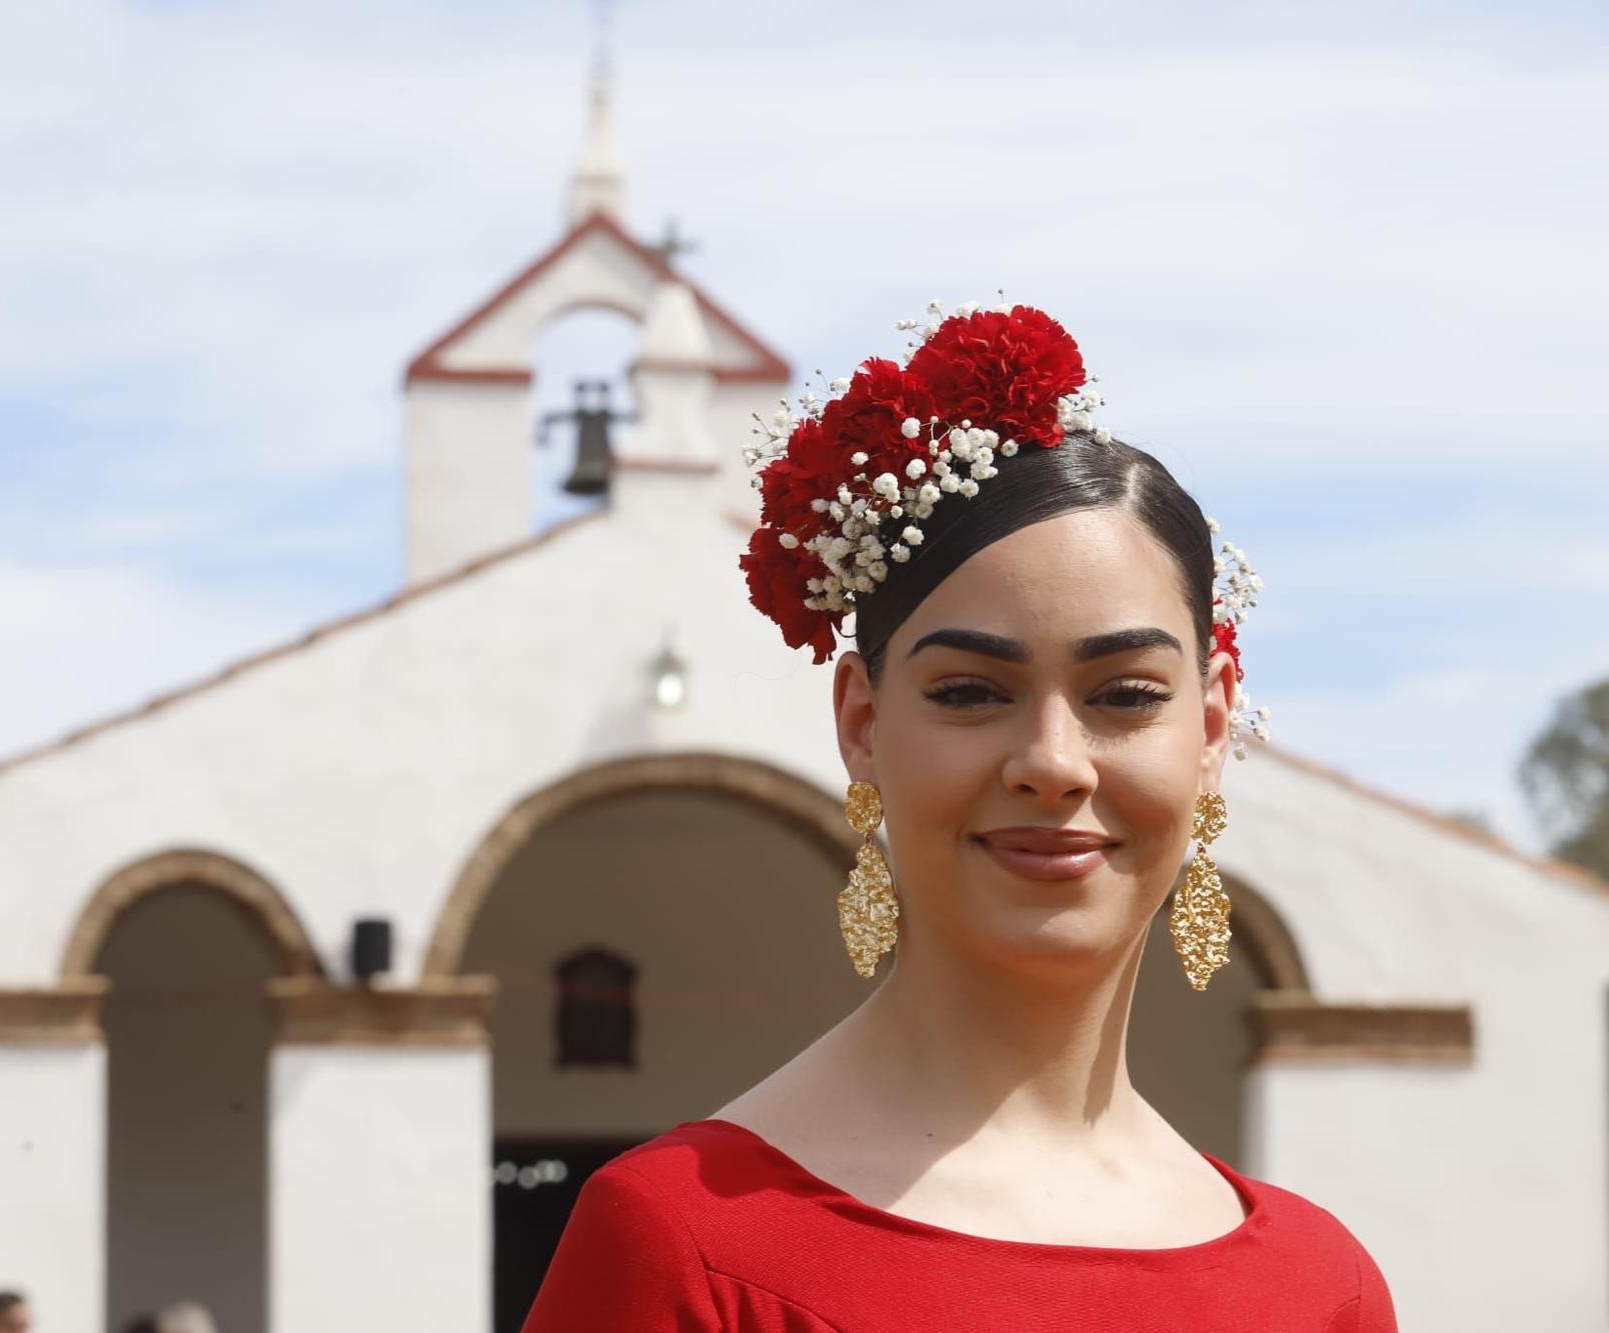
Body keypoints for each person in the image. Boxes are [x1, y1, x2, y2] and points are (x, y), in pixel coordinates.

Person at [522, 302, 1397, 1330]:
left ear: (1207, 731)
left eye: (1123, 694)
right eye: (970, 693)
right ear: (859, 720)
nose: (1051, 764)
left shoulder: (1317, 1285)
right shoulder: (683, 1243)